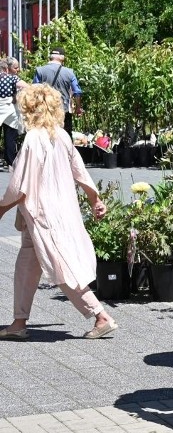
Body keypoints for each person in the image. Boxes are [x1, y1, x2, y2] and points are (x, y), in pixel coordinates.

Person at [0, 84, 118, 341]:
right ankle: (19, 323)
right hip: (54, 212)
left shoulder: (34, 139)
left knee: (60, 266)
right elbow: (80, 170)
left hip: (43, 216)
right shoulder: (61, 135)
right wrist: (94, 199)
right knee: (27, 265)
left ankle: (101, 316)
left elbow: (20, 186)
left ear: (29, 108)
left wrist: (0, 210)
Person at [33, 47, 83, 139]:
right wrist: (78, 107)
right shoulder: (69, 72)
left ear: (50, 57)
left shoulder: (40, 70)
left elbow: (34, 90)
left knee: (45, 136)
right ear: (62, 58)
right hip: (63, 110)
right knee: (65, 136)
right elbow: (77, 92)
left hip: (45, 110)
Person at [0, 59, 25, 170]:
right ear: (7, 68)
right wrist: (16, 96)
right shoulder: (12, 78)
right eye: (15, 68)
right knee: (10, 137)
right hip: (9, 109)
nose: (18, 70)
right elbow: (26, 86)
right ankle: (10, 161)